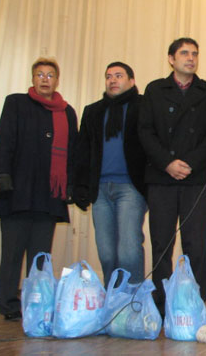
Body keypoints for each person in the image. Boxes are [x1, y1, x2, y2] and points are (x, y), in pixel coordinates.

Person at [138, 38, 206, 308]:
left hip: (195, 178)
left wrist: (190, 163)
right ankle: (160, 304)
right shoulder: (154, 89)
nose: (191, 58)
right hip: (161, 178)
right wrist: (167, 163)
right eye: (184, 53)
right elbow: (145, 131)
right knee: (161, 243)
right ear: (171, 59)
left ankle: (196, 303)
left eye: (195, 54)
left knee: (196, 245)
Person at [0, 57, 78, 320]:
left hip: (48, 196)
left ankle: (36, 303)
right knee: (12, 254)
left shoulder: (67, 112)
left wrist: (72, 186)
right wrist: (1, 175)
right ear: (32, 78)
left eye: (50, 75)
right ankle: (8, 305)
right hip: (16, 192)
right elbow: (3, 140)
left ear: (57, 80)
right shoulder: (16, 103)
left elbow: (73, 154)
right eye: (40, 74)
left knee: (41, 257)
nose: (44, 79)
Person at [74, 62, 147, 286]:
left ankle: (132, 303)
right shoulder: (93, 111)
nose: (112, 80)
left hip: (130, 188)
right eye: (108, 76)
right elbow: (82, 151)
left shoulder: (144, 106)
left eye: (118, 75)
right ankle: (113, 301)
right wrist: (80, 187)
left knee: (128, 251)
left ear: (132, 81)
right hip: (101, 190)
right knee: (106, 253)